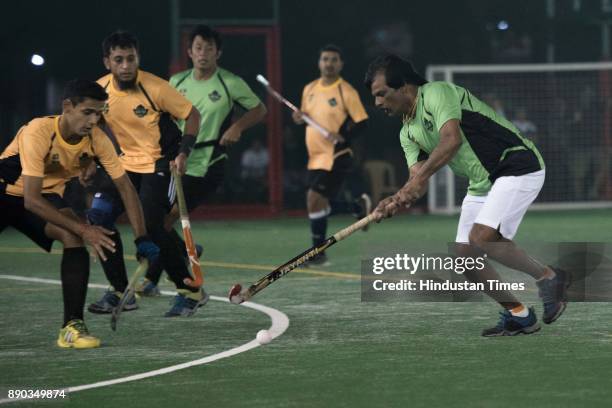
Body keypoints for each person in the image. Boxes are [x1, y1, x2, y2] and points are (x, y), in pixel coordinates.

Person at [365, 55, 570, 336]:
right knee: (465, 258)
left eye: (381, 94)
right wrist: (395, 200)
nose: (377, 103)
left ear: (404, 87)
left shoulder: (437, 93)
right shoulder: (407, 133)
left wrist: (415, 183)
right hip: (482, 184)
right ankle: (520, 315)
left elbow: (452, 139)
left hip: (516, 163)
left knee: (482, 238)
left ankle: (549, 276)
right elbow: (417, 180)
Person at [0, 79, 159, 348]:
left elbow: (126, 189)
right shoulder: (38, 131)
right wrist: (86, 229)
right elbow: (31, 199)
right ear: (67, 107)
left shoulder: (97, 139)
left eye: (99, 113)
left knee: (72, 236)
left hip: (45, 196)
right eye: (88, 112)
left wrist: (141, 237)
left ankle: (71, 327)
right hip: (8, 193)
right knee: (79, 229)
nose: (94, 120)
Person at [138, 25, 267, 295]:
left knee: (164, 221)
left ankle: (153, 279)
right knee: (159, 221)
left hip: (209, 163)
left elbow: (259, 109)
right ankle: (185, 252)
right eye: (198, 48)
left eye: (209, 48)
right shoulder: (176, 82)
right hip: (177, 160)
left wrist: (237, 127)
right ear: (189, 52)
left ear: (218, 53)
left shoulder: (229, 82)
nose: (203, 53)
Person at [87, 31, 206, 317]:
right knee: (99, 216)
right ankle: (119, 291)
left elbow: (193, 116)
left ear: (138, 58)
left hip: (159, 163)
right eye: (119, 60)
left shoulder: (156, 88)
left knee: (154, 225)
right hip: (124, 164)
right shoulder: (99, 91)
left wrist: (184, 152)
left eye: (131, 59)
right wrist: (89, 160)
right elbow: (91, 125)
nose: (126, 65)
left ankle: (189, 290)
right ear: (108, 62)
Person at [291, 44, 371, 267]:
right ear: (319, 63)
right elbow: (306, 116)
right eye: (325, 59)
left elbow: (362, 121)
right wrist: (299, 117)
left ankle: (318, 253)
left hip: (337, 154)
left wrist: (343, 134)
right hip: (315, 156)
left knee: (313, 199)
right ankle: (357, 209)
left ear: (341, 64)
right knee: (318, 204)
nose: (329, 63)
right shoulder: (309, 89)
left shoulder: (346, 91)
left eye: (334, 59)